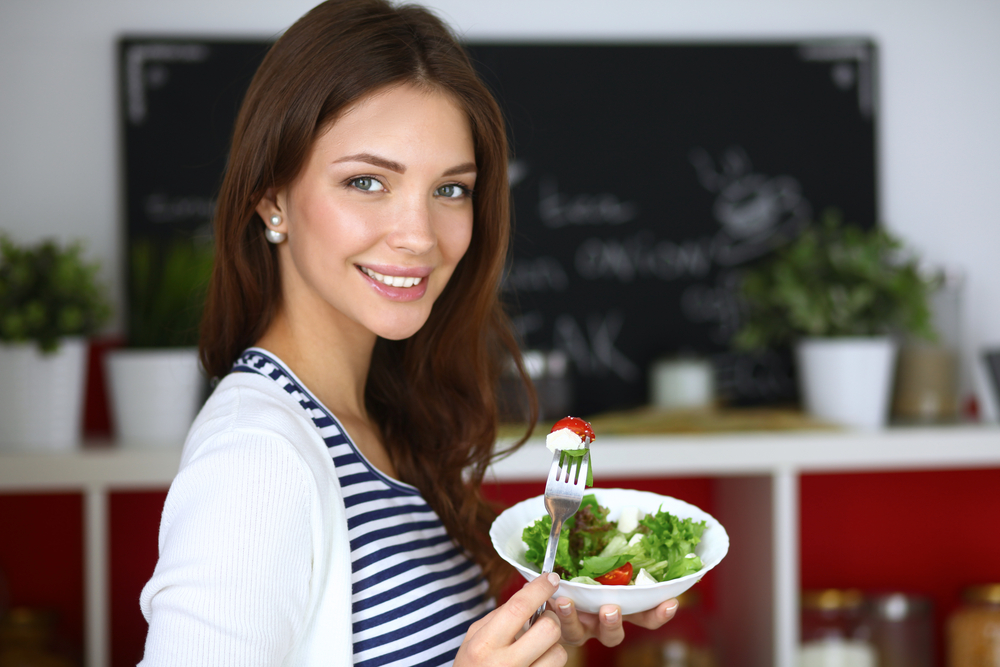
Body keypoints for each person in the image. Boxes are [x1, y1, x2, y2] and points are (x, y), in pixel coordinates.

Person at [138, 1, 679, 665]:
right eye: (367, 181)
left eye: (450, 190)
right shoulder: (257, 458)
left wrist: (553, 631)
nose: (419, 235)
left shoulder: (388, 423)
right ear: (271, 198)